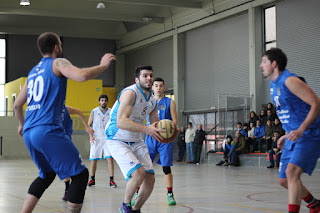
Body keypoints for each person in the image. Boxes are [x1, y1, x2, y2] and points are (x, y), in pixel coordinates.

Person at [13, 32, 116, 213]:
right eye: (60, 44)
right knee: (80, 175)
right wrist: (102, 66)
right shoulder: (58, 63)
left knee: (46, 175)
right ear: (56, 47)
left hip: (29, 133)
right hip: (47, 130)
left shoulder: (33, 72)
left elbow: (16, 105)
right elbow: (82, 76)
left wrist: (22, 124)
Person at [260, 47, 320, 213]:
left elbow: (316, 103)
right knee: (284, 180)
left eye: (264, 62)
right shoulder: (274, 85)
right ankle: (314, 204)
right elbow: (293, 113)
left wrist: (300, 130)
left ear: (274, 64)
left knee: (291, 172)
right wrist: (287, 134)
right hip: (294, 135)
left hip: (310, 133)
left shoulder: (289, 81)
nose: (261, 65)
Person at [105, 65, 163, 213]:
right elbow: (121, 122)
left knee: (150, 178)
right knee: (138, 173)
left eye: (151, 75)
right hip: (117, 138)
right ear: (137, 79)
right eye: (145, 76)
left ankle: (136, 209)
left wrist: (163, 131)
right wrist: (147, 129)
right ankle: (125, 206)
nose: (149, 78)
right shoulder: (130, 93)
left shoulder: (153, 101)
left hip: (136, 139)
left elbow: (154, 123)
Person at [142, 77, 178, 206]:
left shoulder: (170, 102)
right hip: (150, 138)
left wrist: (167, 127)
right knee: (144, 168)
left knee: (166, 167)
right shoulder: (146, 102)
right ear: (152, 87)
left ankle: (170, 194)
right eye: (156, 85)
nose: (158, 88)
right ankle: (137, 192)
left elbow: (175, 122)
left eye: (161, 86)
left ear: (164, 88)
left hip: (165, 139)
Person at [61, 106, 94, 201]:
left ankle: (69, 190)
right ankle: (68, 188)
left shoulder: (65, 109)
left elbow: (79, 111)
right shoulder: (49, 109)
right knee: (63, 168)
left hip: (67, 141)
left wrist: (87, 126)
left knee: (75, 168)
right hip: (56, 142)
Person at [87, 94, 117, 188]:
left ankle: (111, 180)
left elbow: (114, 124)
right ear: (99, 101)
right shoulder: (94, 111)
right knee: (94, 160)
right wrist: (91, 136)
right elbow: (88, 125)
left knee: (109, 159)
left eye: (105, 100)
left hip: (107, 139)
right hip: (96, 138)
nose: (103, 102)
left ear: (107, 102)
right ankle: (92, 179)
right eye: (102, 100)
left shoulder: (111, 111)